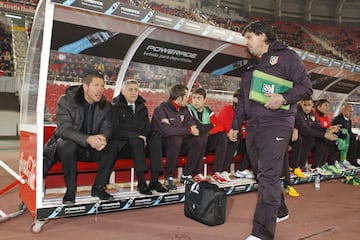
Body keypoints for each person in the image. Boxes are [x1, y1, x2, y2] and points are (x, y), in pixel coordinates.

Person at [228, 21, 313, 240]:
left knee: (267, 176)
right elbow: (243, 100)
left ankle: (262, 234)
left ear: (263, 36)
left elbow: (306, 87)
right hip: (254, 127)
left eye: (249, 37)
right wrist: (235, 125)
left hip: (277, 124)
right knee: (262, 174)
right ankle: (280, 211)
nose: (246, 43)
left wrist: (283, 97)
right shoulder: (250, 66)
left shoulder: (288, 57)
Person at [49, 70, 118, 204]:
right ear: (85, 87)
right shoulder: (66, 100)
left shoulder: (106, 105)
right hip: (74, 147)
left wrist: (103, 137)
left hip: (93, 148)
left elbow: (108, 126)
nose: (100, 89)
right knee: (66, 145)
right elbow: (63, 129)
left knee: (113, 145)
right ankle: (70, 190)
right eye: (96, 85)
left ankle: (98, 188)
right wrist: (87, 139)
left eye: (102, 86)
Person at [112, 79, 167, 195]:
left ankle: (154, 181)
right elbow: (115, 131)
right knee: (137, 142)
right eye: (130, 89)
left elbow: (147, 127)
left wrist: (145, 137)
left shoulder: (142, 107)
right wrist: (137, 136)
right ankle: (141, 182)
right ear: (123, 91)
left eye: (136, 90)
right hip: (124, 146)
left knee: (156, 141)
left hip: (141, 142)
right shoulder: (115, 107)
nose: (133, 92)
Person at [150, 84, 205, 191]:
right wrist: (187, 130)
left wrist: (180, 129)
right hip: (162, 145)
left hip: (180, 142)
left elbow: (193, 126)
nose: (189, 99)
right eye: (187, 96)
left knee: (199, 139)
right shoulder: (161, 109)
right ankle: (168, 177)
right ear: (179, 98)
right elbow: (166, 131)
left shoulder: (185, 109)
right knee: (175, 139)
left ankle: (186, 175)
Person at [188, 87, 229, 183]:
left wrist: (209, 131)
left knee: (222, 136)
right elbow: (199, 128)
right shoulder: (189, 110)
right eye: (194, 98)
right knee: (200, 138)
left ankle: (216, 172)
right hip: (193, 143)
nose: (196, 101)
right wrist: (209, 126)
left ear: (204, 100)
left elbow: (221, 126)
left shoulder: (208, 111)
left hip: (205, 141)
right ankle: (195, 173)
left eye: (199, 98)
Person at [290, 96, 338, 175]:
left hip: (306, 137)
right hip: (294, 137)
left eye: (309, 105)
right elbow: (304, 130)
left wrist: (327, 129)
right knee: (307, 139)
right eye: (304, 105)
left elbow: (316, 125)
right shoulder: (297, 112)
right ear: (301, 103)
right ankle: (295, 166)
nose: (307, 108)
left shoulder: (311, 113)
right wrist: (324, 134)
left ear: (312, 104)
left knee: (322, 141)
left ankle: (315, 167)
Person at [217, 89, 254, 179]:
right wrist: (241, 132)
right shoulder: (227, 110)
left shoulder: (246, 113)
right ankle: (223, 170)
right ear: (235, 99)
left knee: (253, 141)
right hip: (224, 141)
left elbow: (249, 129)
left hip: (239, 140)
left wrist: (242, 132)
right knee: (234, 138)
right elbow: (229, 130)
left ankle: (241, 169)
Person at [327, 103, 359, 169]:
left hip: (345, 137)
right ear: (343, 111)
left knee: (356, 141)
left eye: (352, 111)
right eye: (350, 111)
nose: (351, 113)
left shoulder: (349, 120)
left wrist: (357, 136)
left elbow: (349, 132)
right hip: (337, 138)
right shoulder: (338, 119)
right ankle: (346, 160)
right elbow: (337, 132)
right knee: (351, 141)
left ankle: (354, 160)